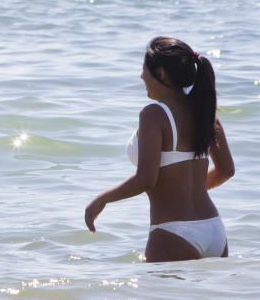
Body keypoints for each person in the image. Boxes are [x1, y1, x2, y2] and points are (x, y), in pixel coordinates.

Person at [85, 37, 235, 262]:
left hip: (174, 232)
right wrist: (186, 189)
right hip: (214, 230)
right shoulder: (206, 114)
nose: (141, 77)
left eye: (144, 69)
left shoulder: (154, 114)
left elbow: (146, 178)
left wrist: (101, 199)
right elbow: (226, 171)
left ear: (162, 73)